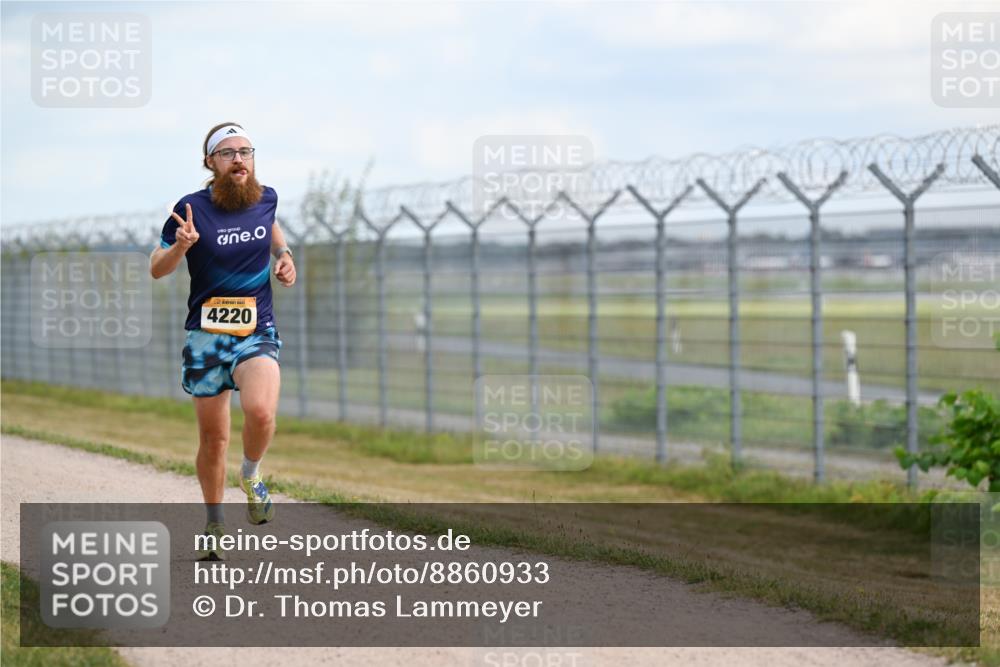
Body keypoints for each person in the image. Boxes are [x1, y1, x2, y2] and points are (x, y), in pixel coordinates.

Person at [149, 122, 296, 561]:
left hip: (256, 330)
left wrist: (285, 256)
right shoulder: (190, 209)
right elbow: (157, 267)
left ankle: (251, 475)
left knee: (261, 411)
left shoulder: (265, 197)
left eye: (246, 151)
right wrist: (181, 246)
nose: (239, 159)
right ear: (210, 161)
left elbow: (270, 226)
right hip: (207, 337)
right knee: (214, 440)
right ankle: (214, 524)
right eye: (228, 152)